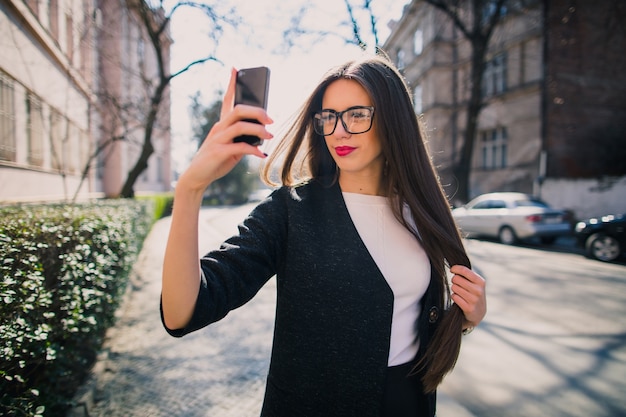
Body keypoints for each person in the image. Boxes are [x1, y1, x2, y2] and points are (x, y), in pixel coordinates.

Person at [161, 53, 487, 417]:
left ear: (394, 121)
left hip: (409, 403)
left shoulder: (421, 212)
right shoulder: (291, 210)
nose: (339, 131)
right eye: (328, 117)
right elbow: (181, 312)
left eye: (357, 115)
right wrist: (190, 188)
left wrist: (465, 316)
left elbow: (407, 321)